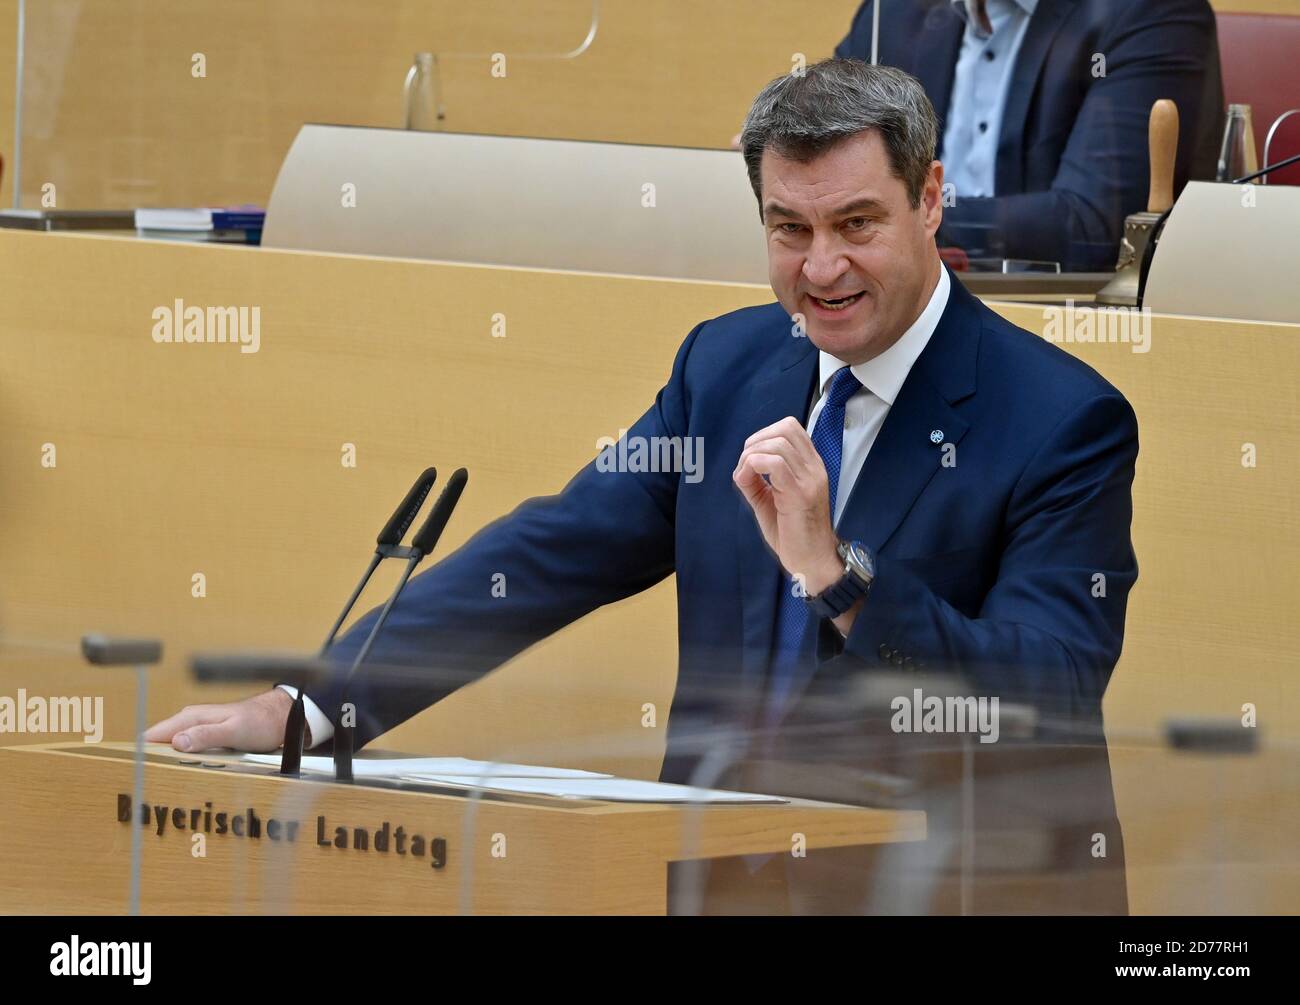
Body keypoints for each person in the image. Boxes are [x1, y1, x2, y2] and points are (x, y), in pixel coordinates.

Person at [149, 58, 1138, 913]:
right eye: (787, 229)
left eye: (857, 223)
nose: (822, 267)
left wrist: (842, 582)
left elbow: (1042, 691)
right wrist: (311, 707)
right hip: (723, 885)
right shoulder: (726, 368)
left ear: (928, 199)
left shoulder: (1059, 419)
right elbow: (549, 556)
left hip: (946, 894)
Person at [835, 0, 1224, 270]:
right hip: (895, 302)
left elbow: (1097, 228)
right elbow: (825, 164)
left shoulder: (1149, 13)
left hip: (1058, 316)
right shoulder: (895, 12)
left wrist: (893, 219)